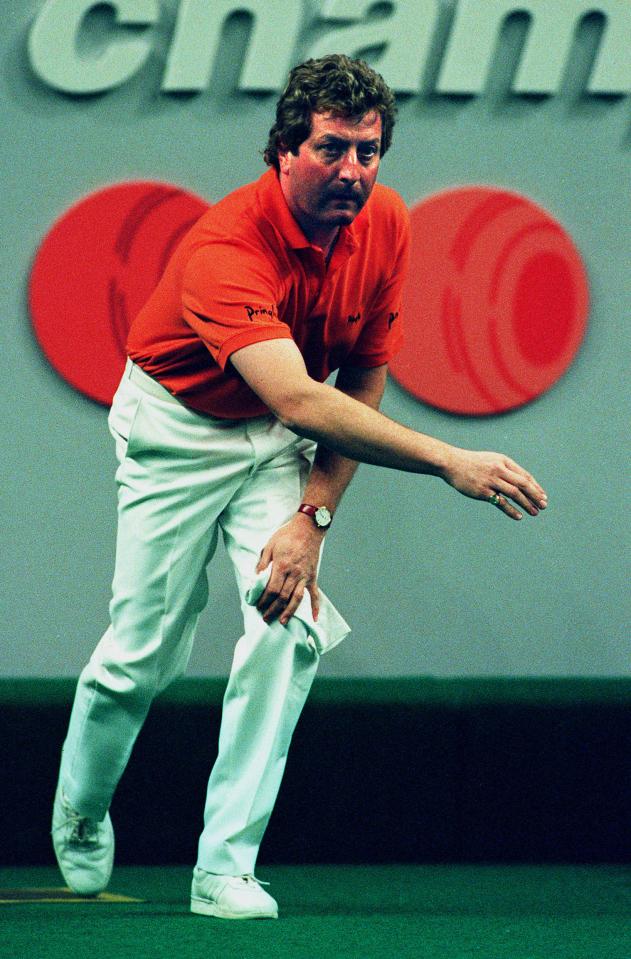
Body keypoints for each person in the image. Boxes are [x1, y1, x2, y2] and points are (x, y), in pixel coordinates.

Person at [51, 54, 548, 920]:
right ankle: (82, 807)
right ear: (284, 150)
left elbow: (358, 378)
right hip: (179, 428)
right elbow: (295, 392)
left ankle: (223, 869)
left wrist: (313, 516)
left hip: (282, 436)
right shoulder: (224, 245)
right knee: (142, 652)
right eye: (330, 149)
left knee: (291, 626)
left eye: (369, 150)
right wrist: (448, 460)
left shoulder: (385, 221)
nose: (351, 171)